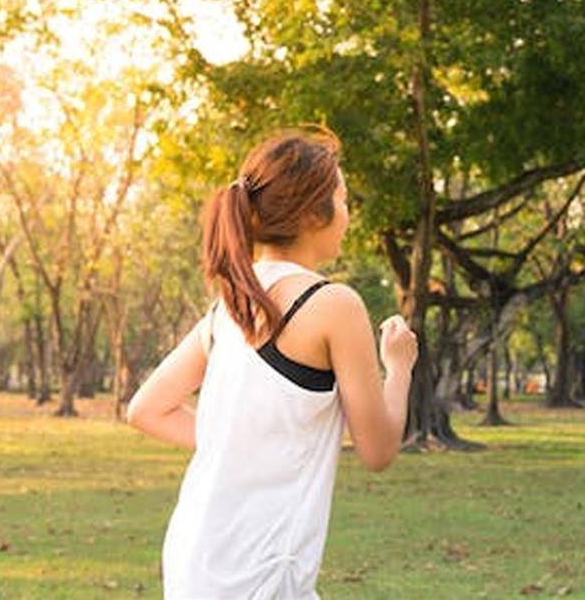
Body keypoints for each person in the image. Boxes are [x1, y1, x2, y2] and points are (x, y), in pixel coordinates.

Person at [126, 126, 417, 599]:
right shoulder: (334, 306)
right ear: (311, 214)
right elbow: (378, 450)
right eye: (343, 200)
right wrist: (399, 367)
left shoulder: (230, 306)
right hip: (259, 568)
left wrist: (241, 445)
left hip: (196, 556)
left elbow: (147, 409)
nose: (348, 215)